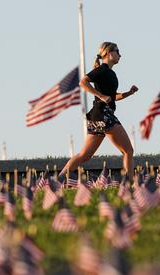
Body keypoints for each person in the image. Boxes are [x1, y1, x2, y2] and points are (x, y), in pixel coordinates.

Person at [60, 42, 138, 182]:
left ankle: (58, 180)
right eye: (117, 51)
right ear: (109, 53)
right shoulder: (102, 70)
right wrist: (101, 96)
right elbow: (83, 82)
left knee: (85, 155)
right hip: (104, 114)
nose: (120, 54)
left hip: (98, 115)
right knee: (128, 151)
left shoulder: (110, 73)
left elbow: (112, 96)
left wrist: (128, 93)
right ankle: (130, 185)